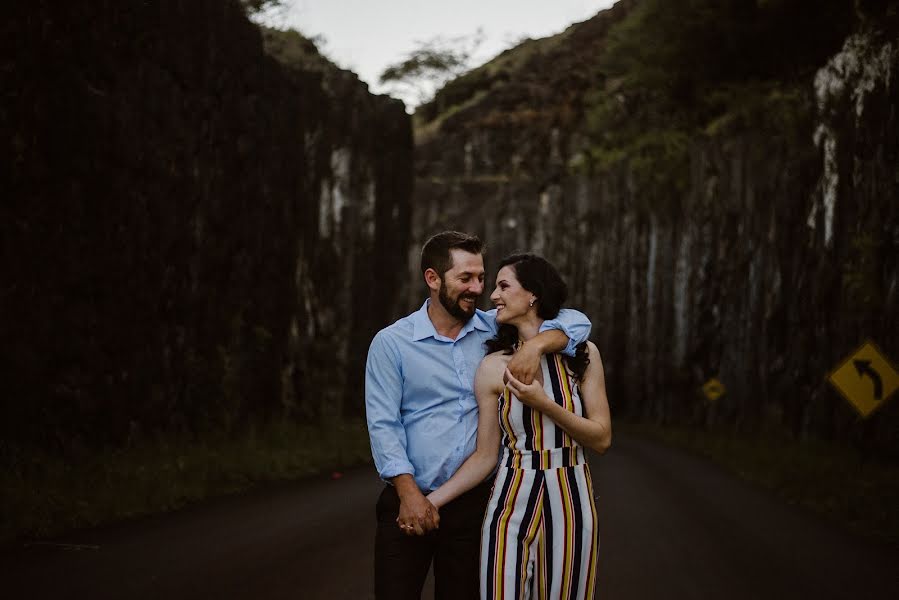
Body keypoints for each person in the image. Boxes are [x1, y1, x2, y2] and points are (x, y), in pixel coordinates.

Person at [365, 232, 592, 599]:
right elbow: (383, 425)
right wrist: (410, 496)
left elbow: (577, 322)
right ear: (433, 279)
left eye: (481, 278)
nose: (478, 289)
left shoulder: (492, 327)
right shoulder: (392, 343)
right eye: (465, 278)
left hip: (474, 505)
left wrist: (536, 345)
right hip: (408, 499)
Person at [425, 252, 612, 600]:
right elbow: (484, 457)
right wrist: (430, 502)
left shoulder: (584, 355)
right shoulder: (493, 367)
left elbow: (601, 439)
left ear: (533, 295)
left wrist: (544, 405)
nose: (492, 295)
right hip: (511, 495)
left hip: (571, 494)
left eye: (503, 286)